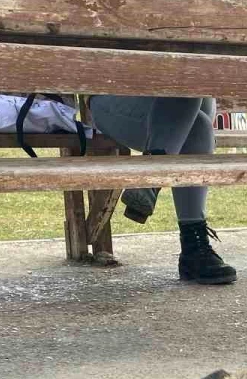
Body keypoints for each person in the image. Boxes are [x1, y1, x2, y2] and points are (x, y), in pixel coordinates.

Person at [89, 96, 237, 285]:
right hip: (111, 104)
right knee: (186, 92)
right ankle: (152, 175)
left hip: (183, 109)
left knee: (197, 118)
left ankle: (193, 245)